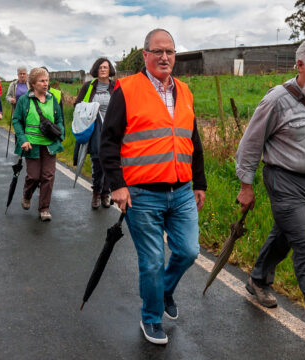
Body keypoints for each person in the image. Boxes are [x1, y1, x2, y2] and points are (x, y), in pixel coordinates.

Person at [235, 38, 305, 348]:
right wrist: (246, 186)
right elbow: (250, 145)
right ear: (299, 66)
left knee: (286, 235)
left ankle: (258, 280)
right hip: (284, 182)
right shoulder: (277, 100)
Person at [100, 29, 207, 345]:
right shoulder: (127, 89)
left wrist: (199, 182)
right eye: (158, 51)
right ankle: (151, 318)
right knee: (151, 262)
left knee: (188, 251)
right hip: (142, 194)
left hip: (182, 190)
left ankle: (164, 291)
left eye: (170, 52)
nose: (164, 57)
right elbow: (108, 141)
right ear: (144, 55)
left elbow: (193, 140)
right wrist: (117, 185)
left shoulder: (184, 91)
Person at [12, 67, 64, 222]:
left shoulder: (52, 99)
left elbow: (60, 119)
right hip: (31, 145)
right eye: (42, 81)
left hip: (50, 145)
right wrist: (23, 139)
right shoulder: (24, 100)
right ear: (33, 83)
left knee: (48, 176)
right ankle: (27, 196)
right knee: (34, 176)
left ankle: (44, 208)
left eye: (47, 80)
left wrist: (60, 133)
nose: (46, 83)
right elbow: (16, 120)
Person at [74, 57, 116, 209]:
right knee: (97, 162)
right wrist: (90, 109)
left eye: (106, 67)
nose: (103, 69)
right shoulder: (88, 86)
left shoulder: (115, 86)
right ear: (96, 70)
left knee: (110, 163)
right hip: (94, 129)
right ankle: (96, 193)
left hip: (112, 130)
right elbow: (77, 106)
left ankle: (106, 193)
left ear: (110, 69)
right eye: (100, 67)